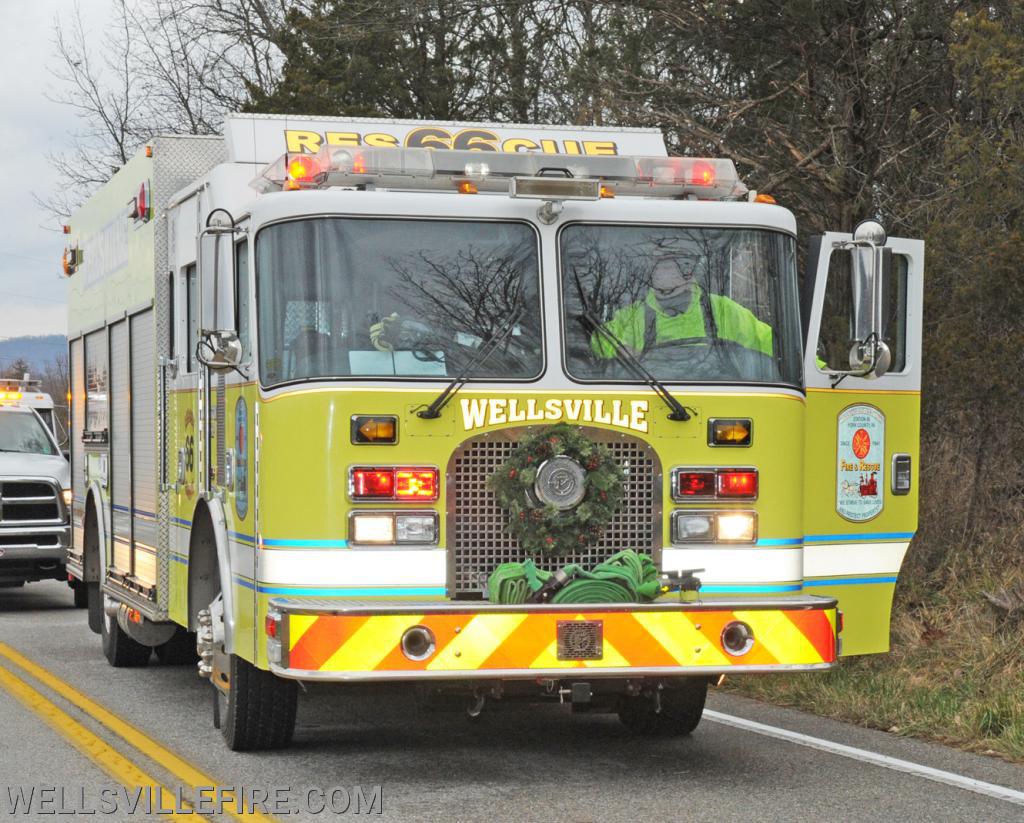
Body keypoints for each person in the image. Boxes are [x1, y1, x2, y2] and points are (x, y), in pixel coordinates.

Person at [590, 254, 774, 360]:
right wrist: (621, 351)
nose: (665, 272)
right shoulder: (632, 316)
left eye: (675, 265)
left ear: (689, 271)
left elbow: (769, 342)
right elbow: (599, 341)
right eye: (660, 266)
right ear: (650, 273)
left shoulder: (722, 310)